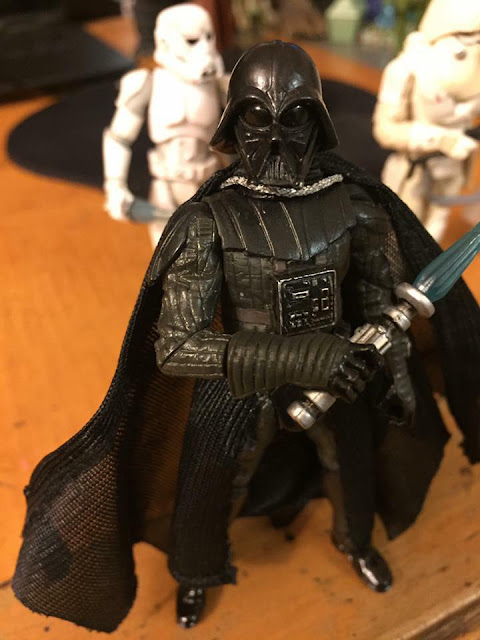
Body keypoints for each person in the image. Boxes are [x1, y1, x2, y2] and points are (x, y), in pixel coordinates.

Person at [14, 42, 480, 631]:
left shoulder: (355, 205)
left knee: (351, 469)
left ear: (318, 123)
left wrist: (396, 382)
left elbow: (376, 302)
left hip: (338, 366)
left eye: (295, 118)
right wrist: (299, 358)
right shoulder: (208, 223)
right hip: (239, 382)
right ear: (235, 124)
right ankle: (196, 572)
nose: (278, 140)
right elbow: (177, 346)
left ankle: (355, 541)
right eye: (259, 118)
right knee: (210, 485)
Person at [103, 3, 227, 246]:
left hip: (209, 186)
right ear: (165, 40)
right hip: (165, 187)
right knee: (166, 256)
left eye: (209, 37)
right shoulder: (147, 83)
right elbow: (119, 138)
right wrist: (115, 185)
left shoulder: (220, 85)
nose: (204, 47)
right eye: (192, 40)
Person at [374, 0, 480, 240]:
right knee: (402, 229)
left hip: (452, 168)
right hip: (413, 171)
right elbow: (385, 129)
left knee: (437, 224)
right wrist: (439, 139)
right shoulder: (406, 70)